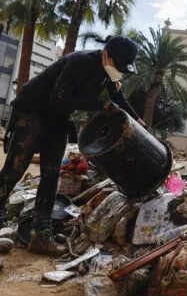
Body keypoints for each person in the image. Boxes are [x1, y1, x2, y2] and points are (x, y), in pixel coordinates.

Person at [0, 36, 147, 256]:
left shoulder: (107, 71)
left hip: (56, 117)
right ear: (106, 54)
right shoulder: (81, 62)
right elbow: (58, 99)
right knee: (15, 170)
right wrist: (101, 105)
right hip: (32, 111)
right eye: (118, 66)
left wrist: (139, 123)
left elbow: (119, 98)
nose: (119, 71)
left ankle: (41, 234)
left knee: (51, 176)